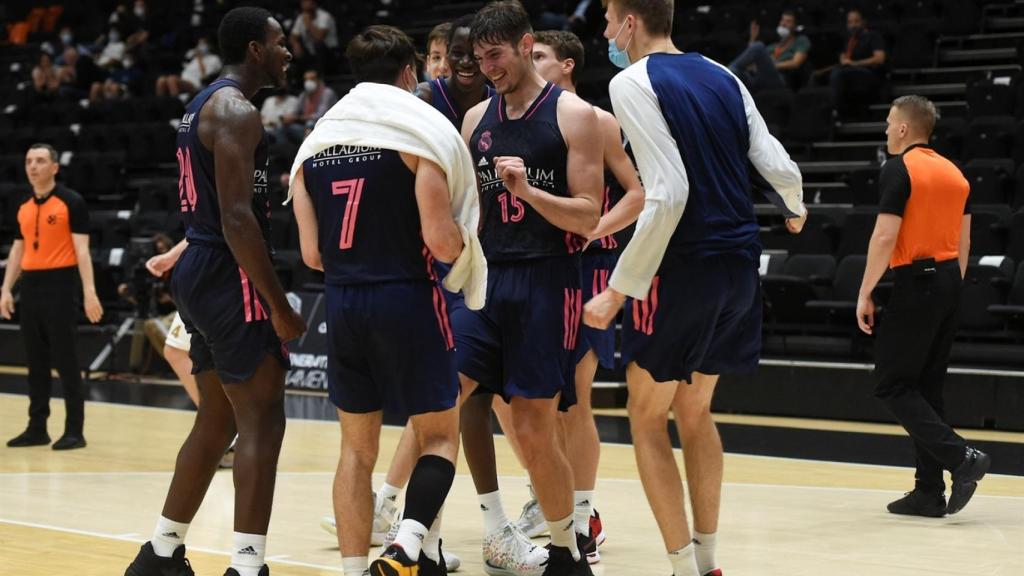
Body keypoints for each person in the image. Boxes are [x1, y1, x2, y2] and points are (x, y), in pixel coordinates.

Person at [582, 2, 806, 575]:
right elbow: (773, 156)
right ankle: (707, 564)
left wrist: (618, 290)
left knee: (646, 416)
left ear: (630, 22)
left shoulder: (631, 81)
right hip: (740, 260)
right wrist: (795, 204)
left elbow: (669, 192)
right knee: (696, 409)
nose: (605, 32)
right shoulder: (723, 73)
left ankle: (685, 568)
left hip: (683, 264)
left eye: (609, 19)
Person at [289, 24, 481, 576]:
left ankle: (354, 570)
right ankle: (407, 545)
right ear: (408, 74)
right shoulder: (416, 136)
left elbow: (311, 255)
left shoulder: (313, 145)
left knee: (355, 452)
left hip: (343, 303)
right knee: (441, 436)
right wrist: (471, 242)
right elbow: (441, 241)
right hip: (407, 297)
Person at [123, 8, 305, 576]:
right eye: (280, 44)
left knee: (217, 420)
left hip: (200, 270)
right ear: (255, 49)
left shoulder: (202, 104)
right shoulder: (236, 110)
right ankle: (247, 568)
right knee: (263, 421)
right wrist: (279, 305)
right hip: (230, 273)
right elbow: (236, 219)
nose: (287, 53)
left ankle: (160, 552)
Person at [459, 1, 604, 572]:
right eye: (477, 59)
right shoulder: (475, 121)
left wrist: (529, 194)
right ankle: (439, 531)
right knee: (445, 396)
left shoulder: (575, 117)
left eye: (494, 55)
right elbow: (473, 210)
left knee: (534, 427)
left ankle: (568, 549)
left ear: (524, 45)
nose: (487, 68)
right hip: (487, 279)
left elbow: (589, 217)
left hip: (548, 280)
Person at [514, 28, 644, 564]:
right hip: (533, 268)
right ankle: (549, 498)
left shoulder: (595, 119)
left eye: (539, 56)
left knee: (573, 397)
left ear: (566, 65)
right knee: (526, 401)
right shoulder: (516, 121)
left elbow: (638, 193)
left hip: (588, 266)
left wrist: (594, 228)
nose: (531, 62)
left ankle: (585, 512)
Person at [857, 95, 991, 518]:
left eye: (888, 123)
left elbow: (883, 236)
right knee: (927, 389)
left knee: (892, 384)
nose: (885, 130)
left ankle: (961, 458)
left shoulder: (899, 169)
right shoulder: (955, 173)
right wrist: (951, 286)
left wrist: (865, 292)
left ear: (902, 129)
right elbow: (965, 241)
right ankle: (928, 492)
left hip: (917, 281)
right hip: (951, 279)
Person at [2, 143, 104, 451]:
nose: (33, 166)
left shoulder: (71, 202)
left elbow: (83, 251)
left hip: (61, 286)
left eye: (40, 161)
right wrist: (6, 289)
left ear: (55, 168)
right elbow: (18, 250)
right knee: (35, 361)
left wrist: (89, 292)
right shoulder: (23, 206)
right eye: (29, 161)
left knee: (65, 360)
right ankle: (37, 427)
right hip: (30, 287)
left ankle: (75, 430)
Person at [728, 11, 811, 93]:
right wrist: (752, 39)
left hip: (779, 80)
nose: (783, 24)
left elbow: (795, 63)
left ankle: (725, 73)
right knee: (735, 72)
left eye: (788, 21)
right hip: (758, 79)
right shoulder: (772, 46)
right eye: (782, 20)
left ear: (795, 26)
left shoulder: (801, 41)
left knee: (759, 46)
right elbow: (751, 65)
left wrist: (772, 65)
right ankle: (726, 74)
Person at [829, 9, 886, 118]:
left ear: (863, 22)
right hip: (850, 74)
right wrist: (843, 59)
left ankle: (836, 112)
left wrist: (854, 63)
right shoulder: (850, 40)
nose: (853, 25)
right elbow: (845, 58)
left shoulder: (873, 36)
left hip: (870, 73)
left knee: (838, 74)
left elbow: (879, 59)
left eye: (856, 21)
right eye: (850, 22)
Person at [278, 69, 338, 146]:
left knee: (310, 124)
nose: (308, 82)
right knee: (283, 127)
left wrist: (296, 118)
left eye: (312, 79)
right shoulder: (304, 95)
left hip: (324, 127)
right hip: (306, 128)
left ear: (319, 80)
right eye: (306, 79)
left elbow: (320, 115)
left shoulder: (327, 93)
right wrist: (288, 117)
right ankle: (283, 154)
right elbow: (295, 111)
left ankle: (307, 148)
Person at [155, 37, 223, 98]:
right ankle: (161, 105)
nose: (200, 46)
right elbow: (184, 62)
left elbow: (204, 76)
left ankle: (175, 105)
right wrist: (193, 56)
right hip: (183, 78)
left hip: (196, 83)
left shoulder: (214, 59)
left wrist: (200, 59)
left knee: (171, 79)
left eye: (203, 44)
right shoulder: (193, 55)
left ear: (209, 45)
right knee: (161, 80)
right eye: (199, 44)